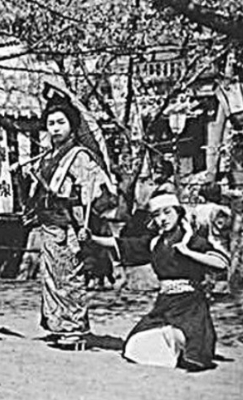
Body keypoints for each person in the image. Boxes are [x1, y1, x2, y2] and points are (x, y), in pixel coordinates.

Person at [82, 193, 229, 370]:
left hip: (190, 304)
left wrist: (188, 252)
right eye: (157, 215)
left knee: (193, 346)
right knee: (134, 345)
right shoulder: (155, 243)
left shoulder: (192, 240)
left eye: (167, 212)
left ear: (178, 213)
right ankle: (174, 347)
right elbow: (123, 244)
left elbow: (221, 263)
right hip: (165, 303)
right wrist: (92, 238)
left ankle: (185, 346)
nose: (162, 219)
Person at [26, 98, 116, 349]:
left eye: (61, 123)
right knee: (51, 277)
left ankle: (74, 327)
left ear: (72, 126)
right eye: (51, 123)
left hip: (68, 224)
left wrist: (77, 200)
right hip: (48, 223)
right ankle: (57, 323)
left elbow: (93, 190)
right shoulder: (47, 157)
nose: (55, 128)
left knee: (69, 276)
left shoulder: (79, 156)